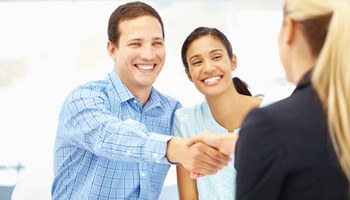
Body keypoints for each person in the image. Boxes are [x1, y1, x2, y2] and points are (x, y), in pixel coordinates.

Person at [51, 2, 230, 199]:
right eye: (135, 43)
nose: (148, 54)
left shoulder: (171, 111)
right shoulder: (84, 99)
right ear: (112, 49)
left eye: (157, 43)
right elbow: (107, 136)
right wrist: (172, 148)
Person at [186, 0, 350, 199]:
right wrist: (242, 143)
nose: (208, 67)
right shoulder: (334, 113)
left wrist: (253, 140)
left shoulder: (269, 124)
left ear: (289, 29)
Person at [174, 27, 269, 200]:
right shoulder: (185, 122)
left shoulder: (271, 113)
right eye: (197, 62)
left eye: (216, 57)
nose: (208, 68)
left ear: (233, 62)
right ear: (189, 74)